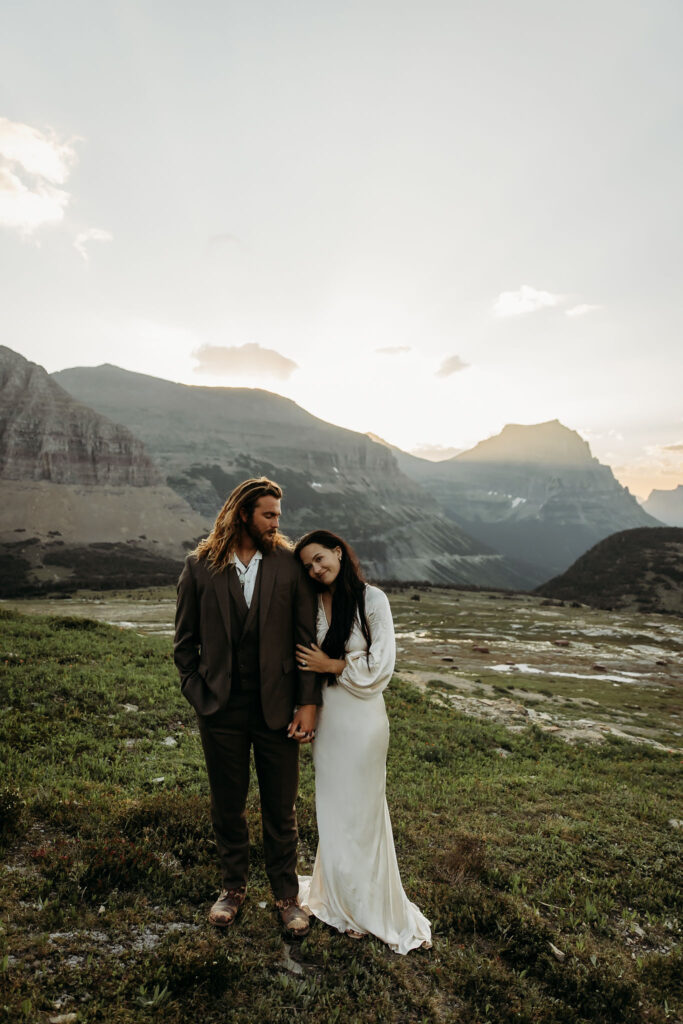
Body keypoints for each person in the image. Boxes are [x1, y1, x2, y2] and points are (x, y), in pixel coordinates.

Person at [174, 478, 321, 938]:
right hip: (221, 708)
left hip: (279, 707)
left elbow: (305, 639)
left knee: (281, 806)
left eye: (278, 514)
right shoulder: (200, 566)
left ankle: (286, 896)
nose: (278, 523)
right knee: (228, 803)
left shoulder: (288, 564)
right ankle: (232, 888)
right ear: (243, 514)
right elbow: (183, 643)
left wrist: (307, 702)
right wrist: (200, 693)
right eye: (269, 515)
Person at [293, 529, 431, 954]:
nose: (316, 569)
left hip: (364, 720)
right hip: (330, 719)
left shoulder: (373, 600)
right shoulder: (314, 603)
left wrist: (331, 663)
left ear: (338, 552)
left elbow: (380, 666)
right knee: (333, 809)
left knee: (364, 812)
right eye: (308, 566)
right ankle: (338, 901)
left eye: (320, 558)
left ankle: (368, 905)